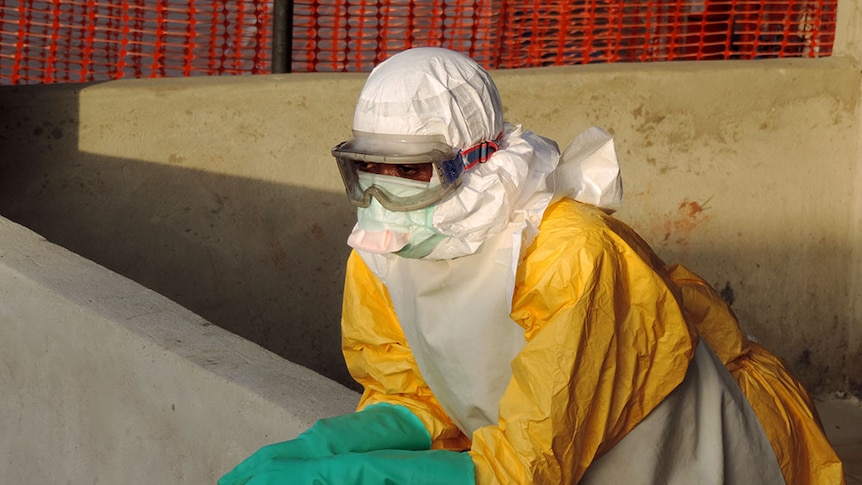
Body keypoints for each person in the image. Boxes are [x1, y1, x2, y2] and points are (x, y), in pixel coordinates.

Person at [219, 47, 844, 484]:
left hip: (698, 459)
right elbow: (414, 396)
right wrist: (326, 446)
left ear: (479, 159)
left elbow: (525, 469)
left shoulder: (571, 253)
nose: (386, 193)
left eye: (410, 171)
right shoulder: (386, 255)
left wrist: (353, 476)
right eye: (368, 170)